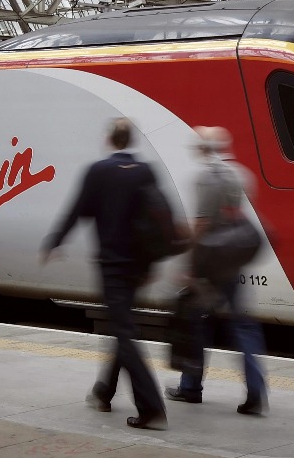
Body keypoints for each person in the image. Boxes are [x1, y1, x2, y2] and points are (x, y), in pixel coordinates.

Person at [41, 118, 167, 430]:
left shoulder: (98, 171)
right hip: (138, 267)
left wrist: (55, 241)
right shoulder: (146, 171)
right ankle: (103, 392)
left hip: (113, 266)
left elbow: (76, 210)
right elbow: (158, 220)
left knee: (124, 332)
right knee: (121, 327)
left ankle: (151, 408)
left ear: (110, 140)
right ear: (131, 140)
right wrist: (152, 265)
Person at [165, 126, 268, 415]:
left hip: (209, 264)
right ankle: (256, 391)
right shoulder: (241, 174)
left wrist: (188, 267)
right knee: (243, 327)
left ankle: (190, 387)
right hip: (231, 262)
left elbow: (201, 225)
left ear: (203, 149)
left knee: (195, 322)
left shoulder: (205, 177)